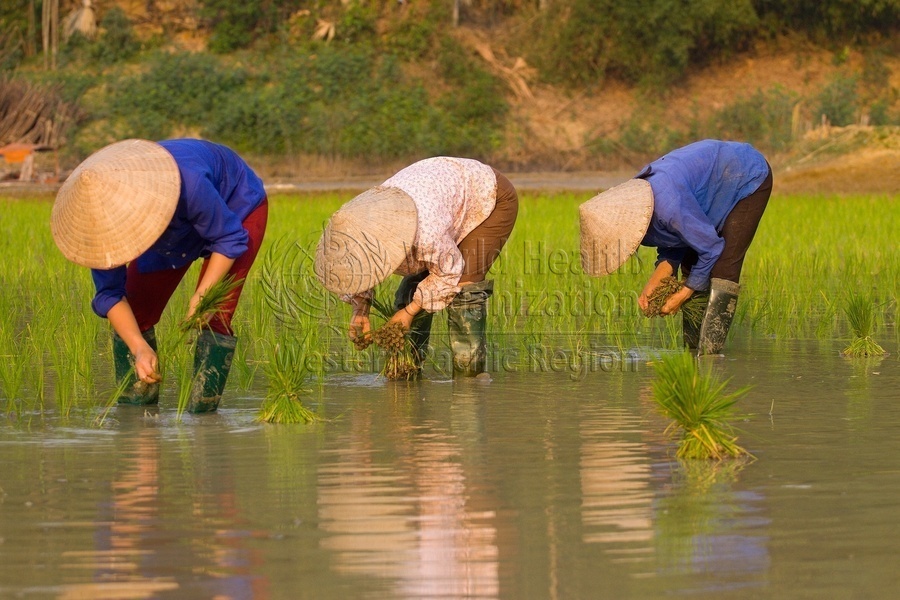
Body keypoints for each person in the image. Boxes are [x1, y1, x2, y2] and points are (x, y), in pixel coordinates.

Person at [51, 138, 268, 412]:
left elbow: (229, 238)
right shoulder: (100, 227)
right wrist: (139, 347)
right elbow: (110, 294)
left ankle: (202, 420)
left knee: (214, 314)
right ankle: (137, 411)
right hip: (175, 227)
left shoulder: (189, 182)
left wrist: (201, 297)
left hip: (237, 208)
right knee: (136, 314)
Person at [314, 156, 519, 376]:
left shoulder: (426, 234)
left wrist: (409, 312)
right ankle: (406, 372)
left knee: (464, 290)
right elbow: (361, 269)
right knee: (409, 294)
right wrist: (361, 309)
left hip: (488, 196)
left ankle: (469, 382)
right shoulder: (361, 226)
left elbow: (447, 274)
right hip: (439, 201)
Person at [580, 139, 772, 354]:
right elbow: (672, 239)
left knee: (723, 267)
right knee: (691, 265)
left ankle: (710, 355)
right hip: (703, 190)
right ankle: (692, 351)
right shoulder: (644, 207)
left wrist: (683, 294)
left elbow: (711, 247)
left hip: (744, 176)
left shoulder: (667, 206)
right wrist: (658, 279)